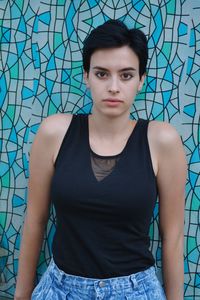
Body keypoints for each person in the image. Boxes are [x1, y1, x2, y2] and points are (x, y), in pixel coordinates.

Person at [14, 20, 187, 300]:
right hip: (60, 289)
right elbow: (35, 220)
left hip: (135, 291)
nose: (114, 87)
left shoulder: (162, 140)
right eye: (102, 74)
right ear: (86, 76)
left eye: (127, 75)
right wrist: (21, 296)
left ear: (142, 80)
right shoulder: (54, 132)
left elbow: (174, 235)